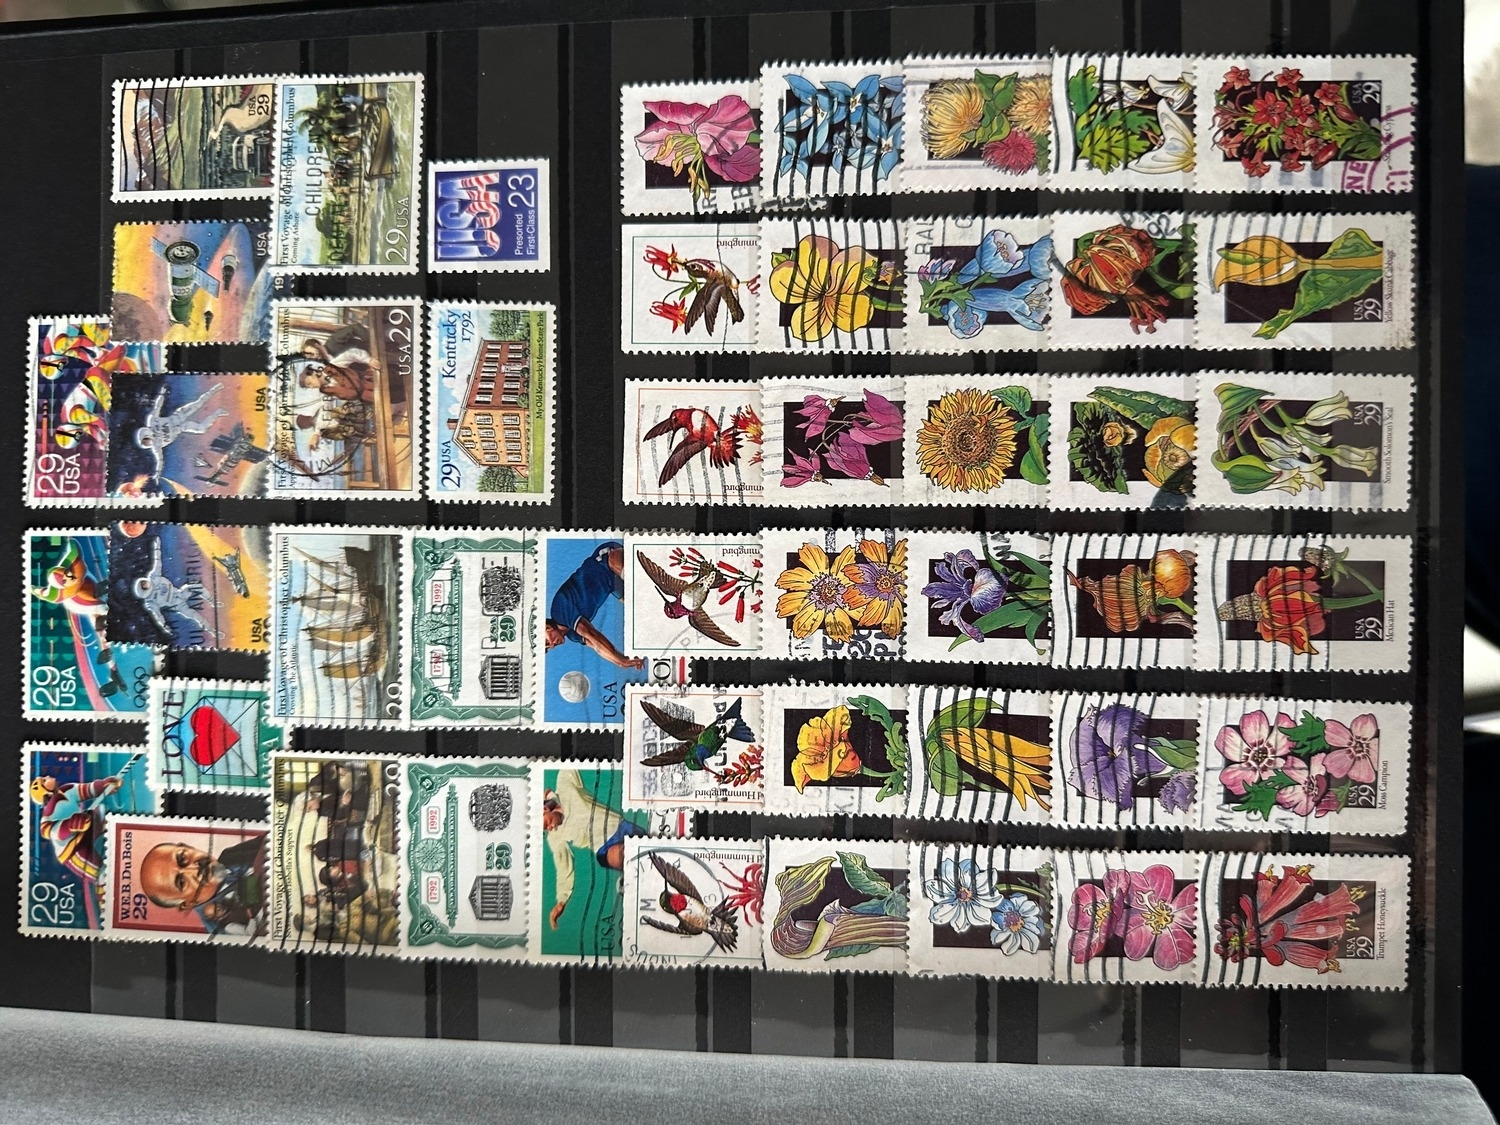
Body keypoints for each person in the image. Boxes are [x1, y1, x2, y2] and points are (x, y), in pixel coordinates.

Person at [541, 769, 649, 930]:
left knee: (652, 850)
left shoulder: (565, 785)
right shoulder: (555, 837)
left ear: (545, 810)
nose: (550, 828)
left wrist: (549, 795)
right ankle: (634, 874)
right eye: (546, 829)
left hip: (621, 825)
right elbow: (563, 867)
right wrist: (562, 900)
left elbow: (571, 762)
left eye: (546, 823)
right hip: (605, 848)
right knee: (620, 855)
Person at [542, 541, 645, 670]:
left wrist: (621, 662)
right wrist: (625, 659)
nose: (552, 646)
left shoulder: (559, 612)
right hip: (612, 584)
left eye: (547, 642)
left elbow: (591, 633)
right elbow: (597, 646)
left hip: (606, 560)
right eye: (548, 648)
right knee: (643, 606)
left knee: (643, 583)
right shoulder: (572, 634)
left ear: (547, 628)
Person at [138, 834, 266, 936]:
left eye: (183, 858)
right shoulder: (218, 929)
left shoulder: (229, 855)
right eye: (182, 882)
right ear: (188, 904)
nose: (195, 869)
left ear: (189, 847)